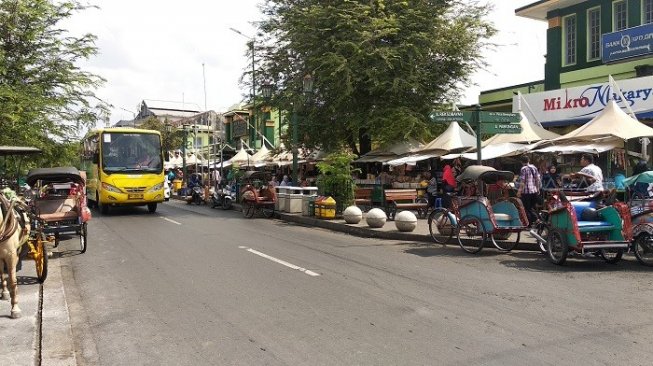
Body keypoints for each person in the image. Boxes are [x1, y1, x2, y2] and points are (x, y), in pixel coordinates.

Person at [516, 155, 541, 226]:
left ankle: (535, 221)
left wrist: (519, 191)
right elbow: (537, 180)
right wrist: (538, 189)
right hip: (534, 191)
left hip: (526, 192)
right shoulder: (534, 167)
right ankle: (534, 222)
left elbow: (522, 182)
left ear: (521, 162)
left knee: (526, 208)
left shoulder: (524, 169)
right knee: (530, 208)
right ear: (529, 160)